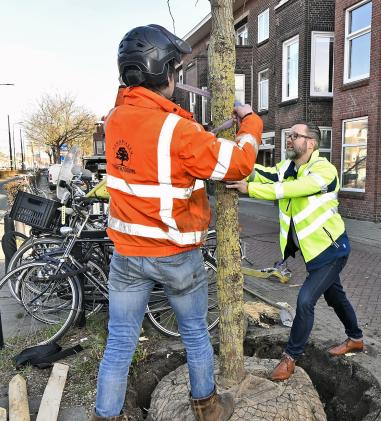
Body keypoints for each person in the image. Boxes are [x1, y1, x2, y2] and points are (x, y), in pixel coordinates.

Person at [92, 24, 262, 421]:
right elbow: (240, 162)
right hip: (177, 255)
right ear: (163, 72)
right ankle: (208, 408)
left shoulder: (115, 119)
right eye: (175, 69)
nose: (177, 78)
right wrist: (250, 123)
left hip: (127, 255)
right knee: (195, 333)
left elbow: (150, 141)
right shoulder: (180, 133)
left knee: (120, 340)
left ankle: (105, 415)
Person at [226, 122, 363, 381]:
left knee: (305, 301)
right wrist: (240, 167)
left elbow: (290, 189)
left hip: (332, 250)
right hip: (313, 254)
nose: (289, 140)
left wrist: (249, 189)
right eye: (288, 135)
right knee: (335, 297)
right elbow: (266, 174)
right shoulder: (288, 167)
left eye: (295, 136)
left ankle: (290, 358)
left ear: (310, 143)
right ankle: (355, 338)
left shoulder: (324, 170)